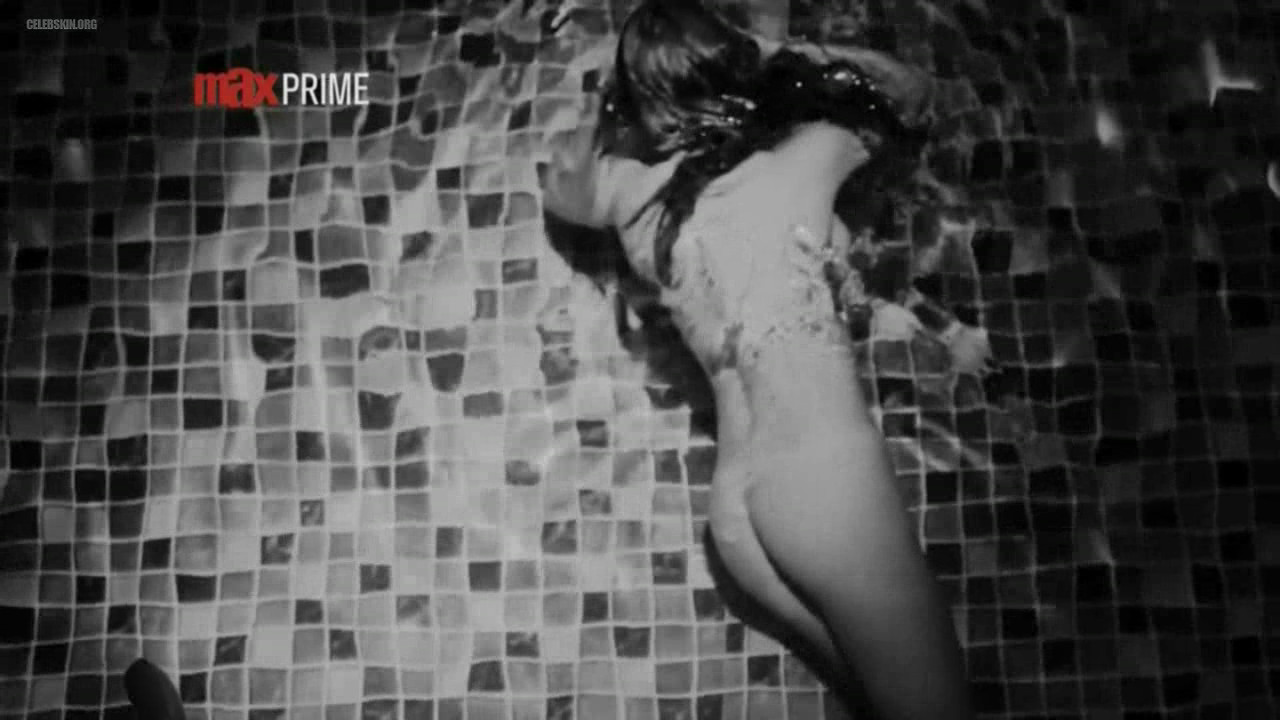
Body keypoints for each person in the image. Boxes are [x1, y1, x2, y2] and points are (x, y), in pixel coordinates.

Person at [539, 1, 975, 718]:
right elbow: (910, 92)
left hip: (738, 511)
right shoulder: (801, 158)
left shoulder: (635, 203)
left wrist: (614, 103)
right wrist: (767, 54)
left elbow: (562, 179)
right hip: (818, 483)